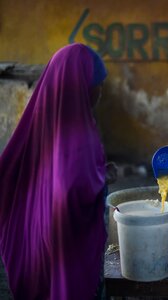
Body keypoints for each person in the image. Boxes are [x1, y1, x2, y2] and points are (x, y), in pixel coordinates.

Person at [0, 43, 117, 299]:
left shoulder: (40, 121)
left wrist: (98, 173)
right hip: (64, 247)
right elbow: (69, 189)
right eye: (98, 84)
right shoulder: (78, 132)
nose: (101, 92)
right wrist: (100, 180)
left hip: (35, 246)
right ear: (82, 86)